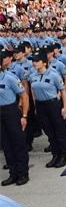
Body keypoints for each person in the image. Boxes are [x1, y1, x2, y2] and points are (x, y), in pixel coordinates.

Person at [29, 50, 66, 168]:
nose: (34, 63)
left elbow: (62, 91)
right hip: (41, 106)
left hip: (52, 104)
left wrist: (64, 107)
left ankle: (63, 156)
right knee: (49, 131)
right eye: (33, 61)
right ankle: (55, 154)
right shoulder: (32, 75)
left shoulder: (53, 75)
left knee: (58, 130)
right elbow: (33, 91)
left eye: (37, 61)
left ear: (44, 62)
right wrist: (36, 106)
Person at [0, 49, 30, 186]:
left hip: (11, 111)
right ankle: (13, 173)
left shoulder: (9, 78)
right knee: (6, 144)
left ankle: (23, 173)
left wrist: (24, 115)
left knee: (17, 143)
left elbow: (24, 96)